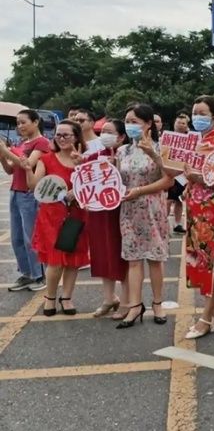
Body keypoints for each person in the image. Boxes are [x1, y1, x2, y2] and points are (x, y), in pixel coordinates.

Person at [116, 104, 173, 329]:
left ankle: (157, 304)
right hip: (129, 210)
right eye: (127, 121)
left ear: (148, 124)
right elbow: (117, 181)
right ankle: (134, 306)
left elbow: (168, 180)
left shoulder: (162, 148)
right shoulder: (122, 151)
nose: (130, 125)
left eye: (135, 122)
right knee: (133, 259)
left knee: (155, 259)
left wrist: (140, 190)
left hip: (153, 208)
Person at [24, 120, 89, 316]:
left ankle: (67, 297)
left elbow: (91, 187)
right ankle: (50, 298)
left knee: (73, 259)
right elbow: (34, 186)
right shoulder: (46, 159)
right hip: (51, 217)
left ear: (76, 137)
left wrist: (79, 178)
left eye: (66, 135)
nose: (61, 138)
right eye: (58, 135)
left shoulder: (84, 160)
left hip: (76, 214)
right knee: (55, 261)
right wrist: (27, 169)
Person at [182, 96, 214, 339]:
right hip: (196, 209)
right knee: (202, 261)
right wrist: (189, 184)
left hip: (212, 210)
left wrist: (199, 179)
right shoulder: (197, 142)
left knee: (211, 262)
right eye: (195, 113)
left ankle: (207, 316)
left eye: (202, 113)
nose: (197, 117)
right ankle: (213, 311)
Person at [0, 110, 52, 292]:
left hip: (29, 194)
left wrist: (6, 150)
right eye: (18, 123)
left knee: (31, 237)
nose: (20, 126)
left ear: (36, 122)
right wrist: (2, 158)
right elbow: (10, 170)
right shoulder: (23, 143)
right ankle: (26, 273)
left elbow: (28, 164)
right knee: (17, 238)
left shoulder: (42, 142)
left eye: (23, 122)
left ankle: (39, 275)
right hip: (15, 192)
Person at [83, 119, 130, 318]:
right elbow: (83, 182)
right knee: (102, 253)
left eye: (110, 132)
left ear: (121, 137)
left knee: (123, 255)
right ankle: (109, 298)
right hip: (98, 212)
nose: (104, 135)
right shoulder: (94, 157)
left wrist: (116, 166)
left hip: (121, 212)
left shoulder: (127, 155)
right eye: (102, 131)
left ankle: (127, 300)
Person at [167, 113, 190, 234]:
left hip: (183, 174)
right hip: (170, 173)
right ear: (174, 124)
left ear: (187, 125)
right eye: (178, 122)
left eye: (183, 123)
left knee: (179, 199)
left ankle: (178, 223)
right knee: (169, 199)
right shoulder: (167, 138)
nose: (181, 125)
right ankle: (163, 222)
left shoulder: (190, 140)